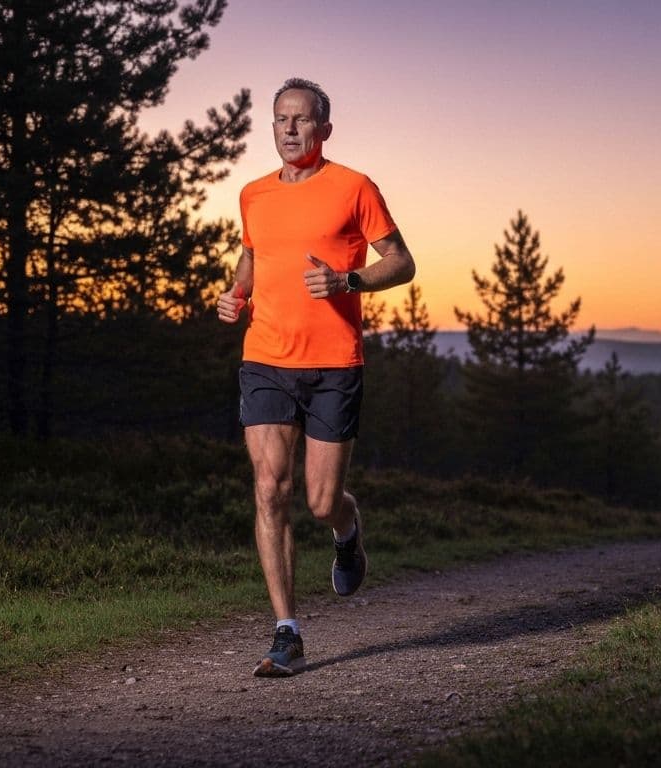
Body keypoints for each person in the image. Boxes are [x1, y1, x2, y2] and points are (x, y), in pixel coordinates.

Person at [215, 77, 416, 677]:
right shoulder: (253, 194)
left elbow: (401, 262)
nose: (290, 129)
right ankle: (287, 630)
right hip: (267, 358)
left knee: (320, 498)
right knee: (269, 488)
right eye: (281, 119)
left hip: (333, 363)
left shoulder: (354, 187)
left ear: (324, 129)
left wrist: (347, 281)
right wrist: (237, 292)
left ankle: (346, 529)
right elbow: (253, 255)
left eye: (302, 119)